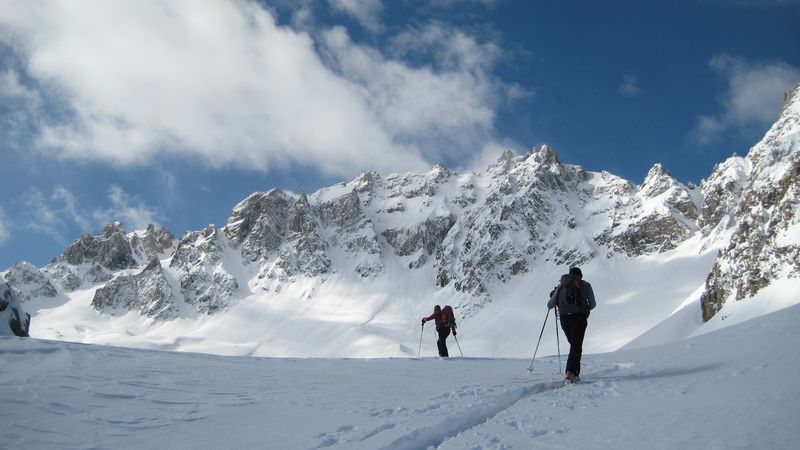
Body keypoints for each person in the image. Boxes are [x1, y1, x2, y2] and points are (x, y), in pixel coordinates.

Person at [547, 267, 596, 383]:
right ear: (580, 276)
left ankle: (575, 373)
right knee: (576, 345)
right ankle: (570, 374)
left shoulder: (562, 285)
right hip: (579, 317)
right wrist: (585, 309)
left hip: (564, 318)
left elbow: (550, 305)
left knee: (575, 345)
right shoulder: (585, 285)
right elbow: (593, 304)